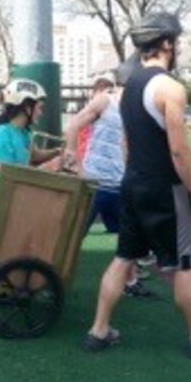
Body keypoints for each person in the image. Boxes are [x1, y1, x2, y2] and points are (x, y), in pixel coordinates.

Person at [83, 12, 191, 359]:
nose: (177, 46)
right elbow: (179, 150)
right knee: (183, 264)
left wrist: (136, 173)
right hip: (166, 190)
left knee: (123, 258)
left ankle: (99, 331)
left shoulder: (128, 85)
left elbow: (125, 144)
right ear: (166, 43)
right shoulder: (169, 87)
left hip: (131, 184)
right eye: (175, 41)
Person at [64, 68, 153, 297]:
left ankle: (130, 282)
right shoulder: (105, 101)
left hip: (120, 185)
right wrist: (76, 165)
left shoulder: (136, 109)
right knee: (73, 236)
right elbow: (73, 126)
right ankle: (52, 276)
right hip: (94, 184)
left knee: (129, 236)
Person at [0, 79, 61, 242]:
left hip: (11, 207)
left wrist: (58, 152)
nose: (41, 113)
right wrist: (48, 171)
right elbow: (9, 175)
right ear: (26, 107)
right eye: (39, 108)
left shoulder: (24, 133)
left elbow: (34, 156)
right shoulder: (2, 134)